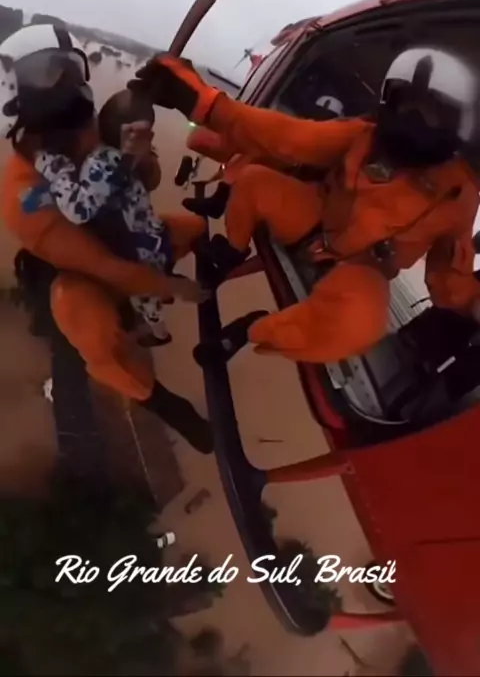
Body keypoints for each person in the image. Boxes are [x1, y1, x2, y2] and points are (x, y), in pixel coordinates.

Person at [127, 48, 480, 368]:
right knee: (254, 180)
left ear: (456, 125)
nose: (415, 121)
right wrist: (204, 103)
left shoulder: (457, 195)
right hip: (316, 218)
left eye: (431, 115)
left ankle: (252, 329)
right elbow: (289, 137)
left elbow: (447, 272)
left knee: (359, 324)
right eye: (408, 106)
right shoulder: (363, 136)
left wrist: (470, 300)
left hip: (364, 267)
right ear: (390, 103)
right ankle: (232, 250)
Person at [0, 24, 213, 454]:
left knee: (195, 228)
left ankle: (150, 309)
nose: (66, 87)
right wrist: (171, 285)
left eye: (69, 71)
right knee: (86, 325)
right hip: (82, 272)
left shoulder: (93, 132)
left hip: (128, 239)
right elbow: (103, 265)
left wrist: (139, 157)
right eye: (48, 75)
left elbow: (146, 182)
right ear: (13, 95)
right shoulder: (22, 193)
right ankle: (161, 401)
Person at [32, 89, 205, 347]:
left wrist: (57, 173)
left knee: (144, 296)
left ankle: (159, 332)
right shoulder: (115, 156)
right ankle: (164, 283)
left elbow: (78, 210)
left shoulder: (101, 163)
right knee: (160, 264)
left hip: (134, 246)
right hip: (149, 231)